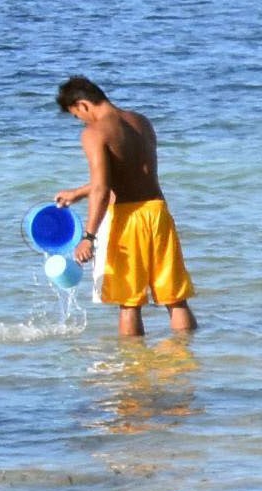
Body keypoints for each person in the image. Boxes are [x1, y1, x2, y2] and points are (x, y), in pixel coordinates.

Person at [49, 77, 196, 340]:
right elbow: (130, 174)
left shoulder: (94, 133)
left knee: (129, 303)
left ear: (82, 105)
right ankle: (184, 361)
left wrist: (89, 237)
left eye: (76, 116)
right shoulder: (141, 122)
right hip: (158, 212)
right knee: (175, 298)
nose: (81, 122)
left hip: (128, 219)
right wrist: (78, 193)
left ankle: (132, 375)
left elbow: (102, 190)